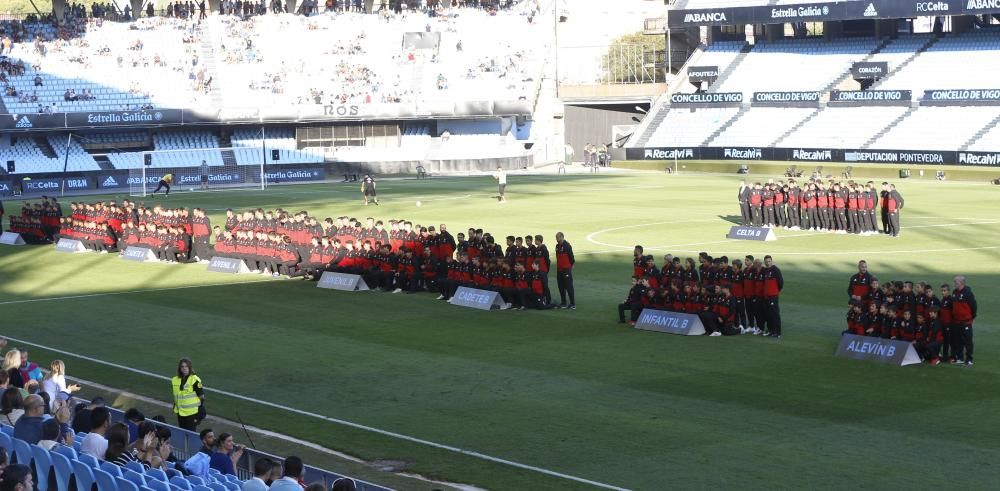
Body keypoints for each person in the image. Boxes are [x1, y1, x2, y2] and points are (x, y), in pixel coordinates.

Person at [171, 358, 205, 431]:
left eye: (186, 366)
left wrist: (199, 412)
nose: (184, 368)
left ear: (190, 368)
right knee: (182, 432)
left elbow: (201, 397)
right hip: (180, 412)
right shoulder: (175, 380)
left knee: (190, 434)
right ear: (179, 368)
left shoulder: (195, 380)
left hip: (191, 413)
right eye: (182, 366)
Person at [950, 276, 977, 366]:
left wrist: (971, 317)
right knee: (958, 341)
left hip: (966, 322)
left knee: (967, 341)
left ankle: (969, 359)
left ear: (961, 282)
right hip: (956, 321)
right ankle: (960, 358)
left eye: (956, 282)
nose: (954, 283)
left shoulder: (968, 293)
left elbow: (974, 306)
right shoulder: (954, 292)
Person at [761, 255, 783, 338]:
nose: (767, 263)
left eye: (769, 261)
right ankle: (770, 330)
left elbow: (780, 283)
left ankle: (777, 332)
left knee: (775, 314)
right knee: (768, 314)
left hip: (773, 296)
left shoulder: (776, 270)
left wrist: (775, 292)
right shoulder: (765, 270)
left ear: (772, 261)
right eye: (766, 261)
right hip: (766, 296)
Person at [554, 232, 575, 309]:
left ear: (562, 237)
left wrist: (569, 267)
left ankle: (573, 304)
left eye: (558, 237)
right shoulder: (557, 246)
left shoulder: (567, 245)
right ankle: (563, 303)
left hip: (566, 270)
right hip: (559, 270)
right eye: (556, 237)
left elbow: (571, 258)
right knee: (561, 287)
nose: (556, 239)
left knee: (569, 287)